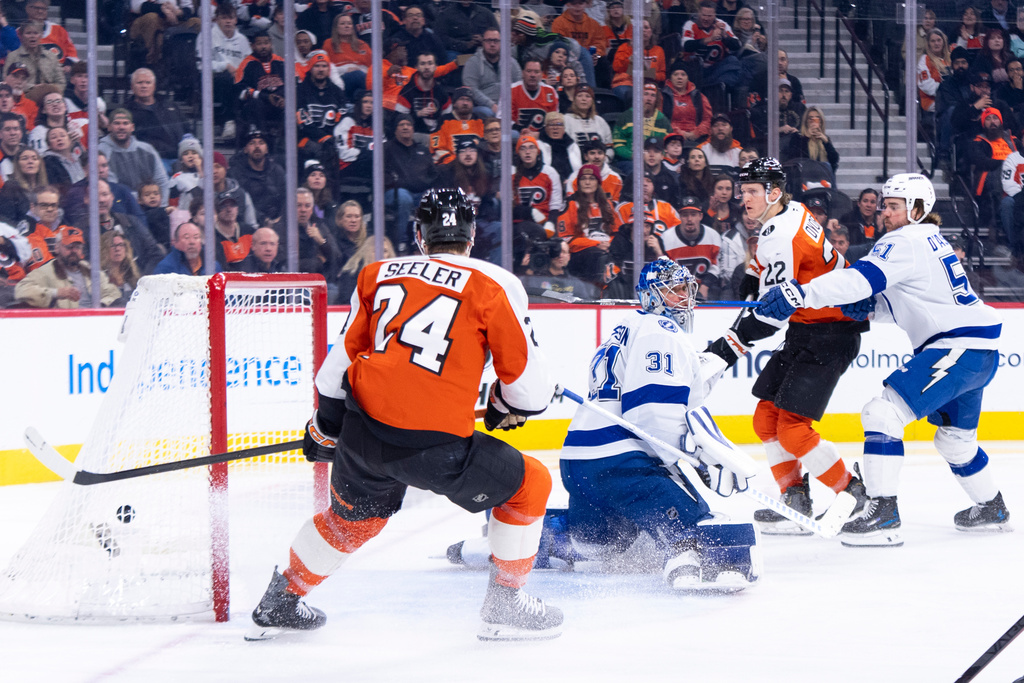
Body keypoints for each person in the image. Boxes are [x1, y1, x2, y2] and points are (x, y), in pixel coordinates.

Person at [247, 188, 562, 642]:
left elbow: (335, 371)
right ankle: (505, 604)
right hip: (436, 446)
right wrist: (504, 406)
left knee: (352, 520)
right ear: (471, 238)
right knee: (531, 485)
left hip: (363, 435)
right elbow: (530, 392)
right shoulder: (494, 282)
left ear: (419, 236)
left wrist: (326, 427)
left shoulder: (377, 274)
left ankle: (282, 599)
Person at [455, 258, 760, 590]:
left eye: (687, 289)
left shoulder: (628, 327)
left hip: (580, 464)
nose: (685, 298)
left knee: (601, 544)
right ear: (651, 297)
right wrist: (696, 459)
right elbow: (652, 412)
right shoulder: (662, 330)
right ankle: (688, 559)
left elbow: (684, 385)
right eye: (674, 291)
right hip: (621, 465)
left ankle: (508, 542)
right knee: (694, 525)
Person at [758, 173, 1010, 544]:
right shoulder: (929, 240)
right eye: (884, 204)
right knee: (955, 441)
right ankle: (991, 507)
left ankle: (883, 512)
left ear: (917, 210)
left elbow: (859, 281)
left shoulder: (905, 240)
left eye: (893, 206)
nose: (883, 212)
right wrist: (871, 310)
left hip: (956, 348)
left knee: (882, 413)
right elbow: (909, 301)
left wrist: (801, 292)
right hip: (976, 353)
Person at [705, 158, 868, 533]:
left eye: (751, 192)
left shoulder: (779, 233)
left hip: (830, 332)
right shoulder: (794, 210)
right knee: (765, 419)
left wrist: (728, 346)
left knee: (793, 429)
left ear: (774, 193)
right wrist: (752, 275)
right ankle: (795, 499)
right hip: (809, 328)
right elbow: (785, 266)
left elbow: (773, 313)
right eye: (742, 191)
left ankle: (855, 494)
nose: (743, 199)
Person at [14, 226, 120, 308]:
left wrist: (101, 305)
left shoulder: (90, 270)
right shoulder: (45, 272)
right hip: (62, 326)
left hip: (95, 322)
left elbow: (113, 293)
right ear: (57, 248)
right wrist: (56, 293)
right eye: (69, 247)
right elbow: (20, 290)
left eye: (78, 247)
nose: (74, 251)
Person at [383, 114, 439, 249]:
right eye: (401, 125)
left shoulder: (422, 150)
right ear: (395, 129)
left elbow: (433, 173)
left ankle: (428, 242)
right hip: (394, 192)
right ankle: (400, 242)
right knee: (404, 198)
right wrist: (398, 182)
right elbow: (382, 173)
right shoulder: (387, 148)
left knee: (435, 198)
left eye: (408, 125)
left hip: (419, 192)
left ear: (413, 129)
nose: (405, 127)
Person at [98, 109, 170, 204]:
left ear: (132, 127)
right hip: (119, 206)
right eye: (117, 123)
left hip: (150, 207)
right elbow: (112, 187)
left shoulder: (147, 149)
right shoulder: (101, 151)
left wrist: (162, 207)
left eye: (125, 123)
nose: (121, 127)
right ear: (109, 127)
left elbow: (162, 181)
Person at [124, 68, 187, 168]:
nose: (144, 86)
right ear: (132, 87)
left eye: (148, 82)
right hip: (151, 161)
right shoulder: (126, 112)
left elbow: (187, 130)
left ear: (154, 86)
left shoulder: (170, 106)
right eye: (139, 83)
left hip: (181, 159)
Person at [229, 129, 286, 224]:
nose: (257, 146)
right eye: (252, 143)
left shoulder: (277, 171)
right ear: (246, 149)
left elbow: (286, 199)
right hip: (248, 223)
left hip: (277, 223)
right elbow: (239, 204)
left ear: (267, 149)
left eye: (261, 143)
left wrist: (279, 220)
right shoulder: (235, 173)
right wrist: (264, 220)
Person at [462, 28, 521, 119]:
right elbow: (471, 89)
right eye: (489, 41)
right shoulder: (473, 62)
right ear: (483, 42)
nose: (492, 44)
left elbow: (519, 85)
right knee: (486, 113)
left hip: (509, 106)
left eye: (496, 41)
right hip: (484, 107)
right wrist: (491, 104)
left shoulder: (511, 62)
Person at [662, 63, 712, 145]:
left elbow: (707, 119)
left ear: (688, 78)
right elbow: (660, 119)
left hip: (696, 138)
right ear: (670, 78)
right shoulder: (662, 95)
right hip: (671, 137)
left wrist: (697, 133)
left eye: (683, 74)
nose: (679, 77)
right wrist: (679, 133)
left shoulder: (699, 96)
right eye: (675, 74)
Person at [5, 21, 63, 90]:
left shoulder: (51, 56)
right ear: (21, 36)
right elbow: (7, 81)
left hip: (48, 96)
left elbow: (61, 82)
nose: (32, 36)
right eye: (28, 33)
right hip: (23, 96)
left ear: (41, 35)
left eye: (36, 33)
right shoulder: (13, 56)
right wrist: (33, 88)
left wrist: (48, 90)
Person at [511, 59, 560, 137]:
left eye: (536, 72)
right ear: (523, 73)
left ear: (541, 75)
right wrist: (521, 130)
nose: (532, 75)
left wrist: (540, 134)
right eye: (529, 71)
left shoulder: (550, 91)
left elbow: (554, 121)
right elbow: (503, 119)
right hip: (518, 135)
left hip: (542, 136)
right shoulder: (511, 90)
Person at [323, 13, 370, 94]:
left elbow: (372, 69)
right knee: (357, 75)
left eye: (349, 23)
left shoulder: (362, 45)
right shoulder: (329, 43)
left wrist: (359, 69)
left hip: (362, 78)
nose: (347, 26)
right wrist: (345, 69)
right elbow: (325, 68)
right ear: (336, 27)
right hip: (340, 78)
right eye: (342, 24)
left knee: (359, 90)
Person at [786, 106, 839, 175]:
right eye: (810, 118)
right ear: (806, 122)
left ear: (821, 122)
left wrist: (826, 143)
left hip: (822, 177)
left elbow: (834, 160)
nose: (813, 121)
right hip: (804, 177)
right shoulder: (797, 137)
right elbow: (795, 158)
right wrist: (806, 138)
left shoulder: (825, 139)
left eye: (817, 118)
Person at [153, 221, 219, 275]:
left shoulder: (213, 266)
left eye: (196, 237)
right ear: (175, 242)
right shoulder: (166, 268)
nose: (192, 242)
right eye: (186, 238)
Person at [99, 230, 140, 306]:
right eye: (113, 245)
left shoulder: (132, 274)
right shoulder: (99, 276)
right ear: (104, 249)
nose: (117, 249)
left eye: (121, 245)